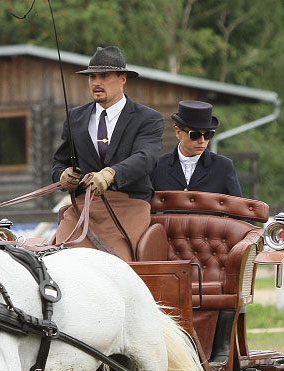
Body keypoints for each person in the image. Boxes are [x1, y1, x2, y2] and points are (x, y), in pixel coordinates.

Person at [51, 46, 164, 261]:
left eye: (104, 76)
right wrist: (63, 176)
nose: (96, 83)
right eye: (92, 77)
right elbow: (58, 163)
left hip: (128, 206)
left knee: (115, 265)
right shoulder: (75, 117)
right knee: (58, 262)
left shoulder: (148, 118)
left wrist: (112, 173)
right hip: (83, 208)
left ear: (123, 79)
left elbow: (146, 157)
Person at [150, 100, 242, 196]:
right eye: (195, 135)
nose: (202, 141)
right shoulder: (157, 166)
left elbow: (237, 208)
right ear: (178, 132)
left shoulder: (224, 167)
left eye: (208, 135)